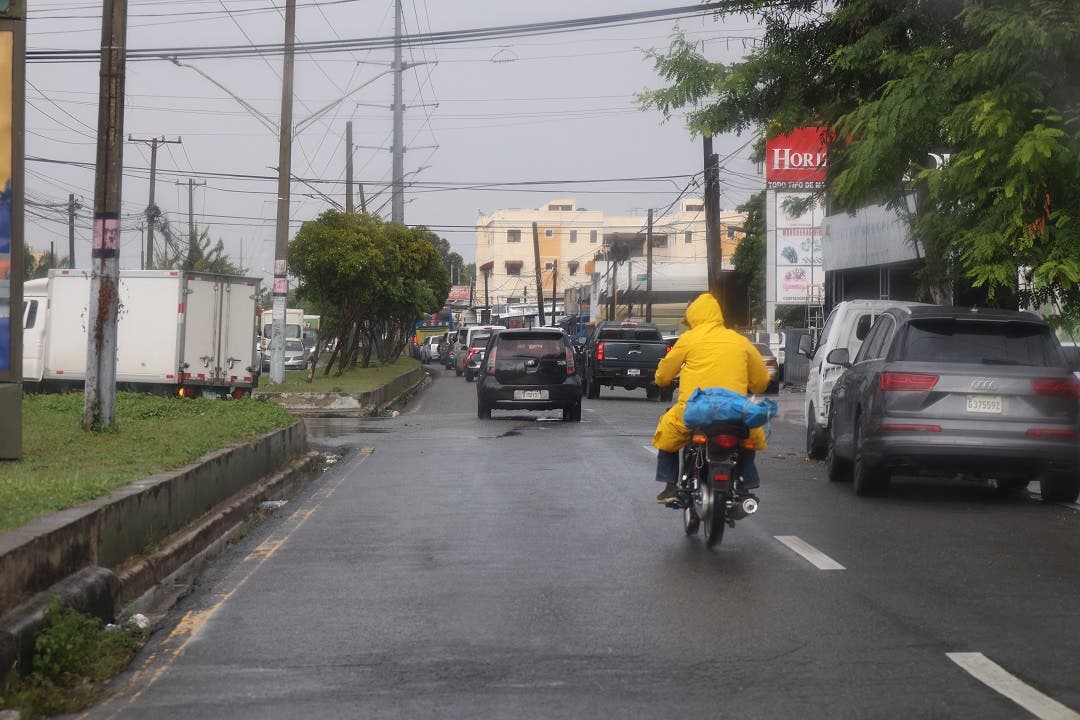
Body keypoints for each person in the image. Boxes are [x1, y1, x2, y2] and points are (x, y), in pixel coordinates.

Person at [652, 292, 771, 505]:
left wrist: (661, 380)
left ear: (694, 317)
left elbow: (664, 374)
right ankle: (745, 483)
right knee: (750, 435)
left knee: (667, 430)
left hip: (696, 409)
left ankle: (670, 486)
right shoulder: (739, 341)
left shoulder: (689, 339)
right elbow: (761, 379)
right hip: (734, 411)